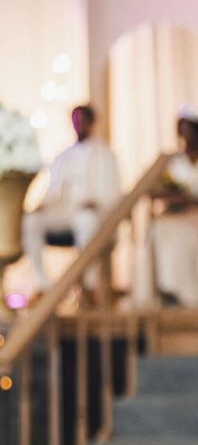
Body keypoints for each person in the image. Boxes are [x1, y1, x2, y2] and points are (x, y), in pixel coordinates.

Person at [22, 104, 121, 299]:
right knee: (31, 220)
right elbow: (53, 191)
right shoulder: (63, 155)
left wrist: (95, 202)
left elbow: (112, 192)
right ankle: (42, 285)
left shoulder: (105, 154)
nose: (79, 125)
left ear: (92, 123)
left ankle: (88, 286)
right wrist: (42, 205)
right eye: (76, 121)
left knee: (87, 220)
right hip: (64, 211)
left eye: (83, 121)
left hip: (93, 212)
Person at [149, 110, 198, 308]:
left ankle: (191, 293)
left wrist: (190, 200)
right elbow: (157, 190)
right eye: (181, 131)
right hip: (176, 213)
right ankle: (168, 288)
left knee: (184, 232)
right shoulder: (173, 162)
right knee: (158, 228)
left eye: (188, 131)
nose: (185, 136)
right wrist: (176, 197)